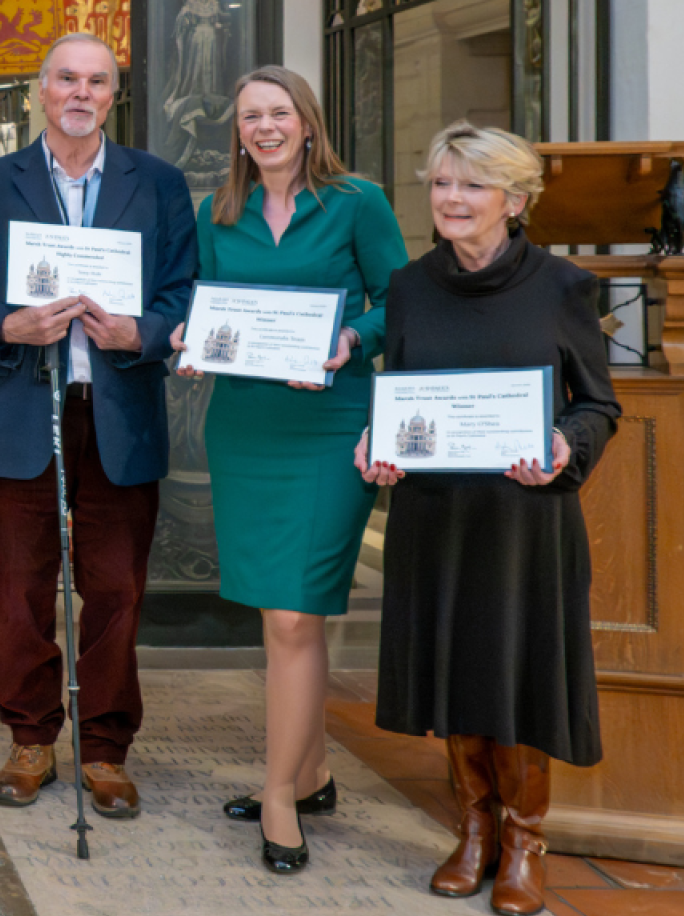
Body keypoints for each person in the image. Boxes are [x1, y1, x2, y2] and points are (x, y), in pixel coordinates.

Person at [357, 122, 618, 916]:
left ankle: (525, 841)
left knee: (521, 670)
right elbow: (401, 393)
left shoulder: (563, 286)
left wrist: (563, 445)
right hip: (435, 514)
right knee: (453, 666)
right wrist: (380, 443)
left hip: (523, 517)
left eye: (471, 185)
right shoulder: (409, 285)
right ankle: (472, 830)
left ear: (516, 199)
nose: (452, 200)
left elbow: (599, 405)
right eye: (441, 183)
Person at [0, 32, 195, 819]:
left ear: (113, 96)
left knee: (115, 589)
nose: (80, 93)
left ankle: (107, 747)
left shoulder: (157, 184)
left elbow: (185, 296)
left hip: (117, 412)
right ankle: (31, 737)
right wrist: (10, 327)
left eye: (97, 81)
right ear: (40, 92)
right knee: (20, 588)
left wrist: (141, 335)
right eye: (66, 79)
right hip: (25, 407)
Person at [167, 66, 407, 873]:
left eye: (278, 113)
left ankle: (276, 797)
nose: (264, 128)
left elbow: (396, 301)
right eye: (249, 118)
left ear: (307, 121)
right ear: (236, 133)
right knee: (280, 616)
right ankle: (312, 772)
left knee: (298, 615)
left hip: (328, 425)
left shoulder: (356, 203)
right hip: (245, 427)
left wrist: (352, 343)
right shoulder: (217, 212)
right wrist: (193, 343)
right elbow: (205, 299)